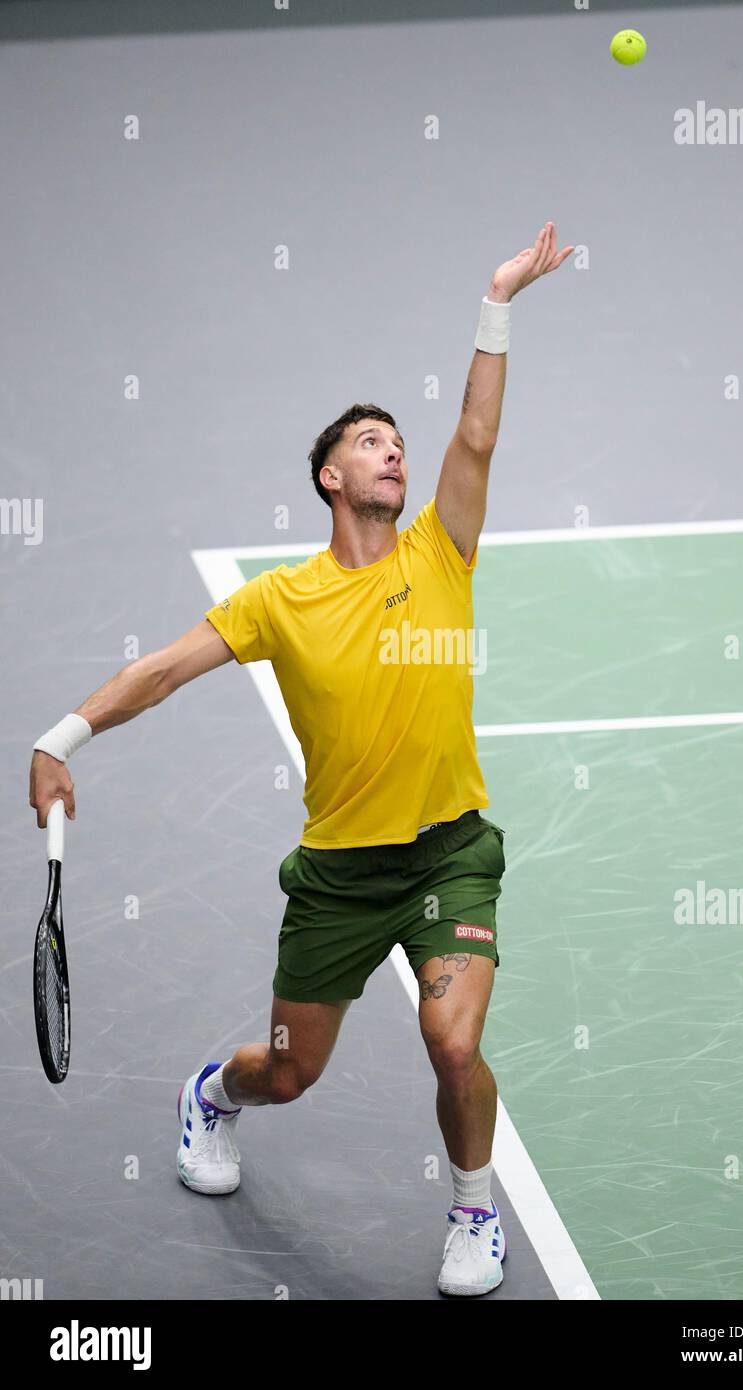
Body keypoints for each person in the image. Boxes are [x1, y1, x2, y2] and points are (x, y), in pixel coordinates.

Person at [29, 222, 574, 1297]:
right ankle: (212, 1096)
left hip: (449, 855)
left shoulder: (440, 549)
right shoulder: (280, 599)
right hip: (336, 876)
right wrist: (63, 736)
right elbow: (163, 671)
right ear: (330, 476)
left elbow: (474, 432)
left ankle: (474, 1209)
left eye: (396, 443)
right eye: (371, 443)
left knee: (451, 1042)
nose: (394, 452)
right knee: (290, 1069)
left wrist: (497, 297)